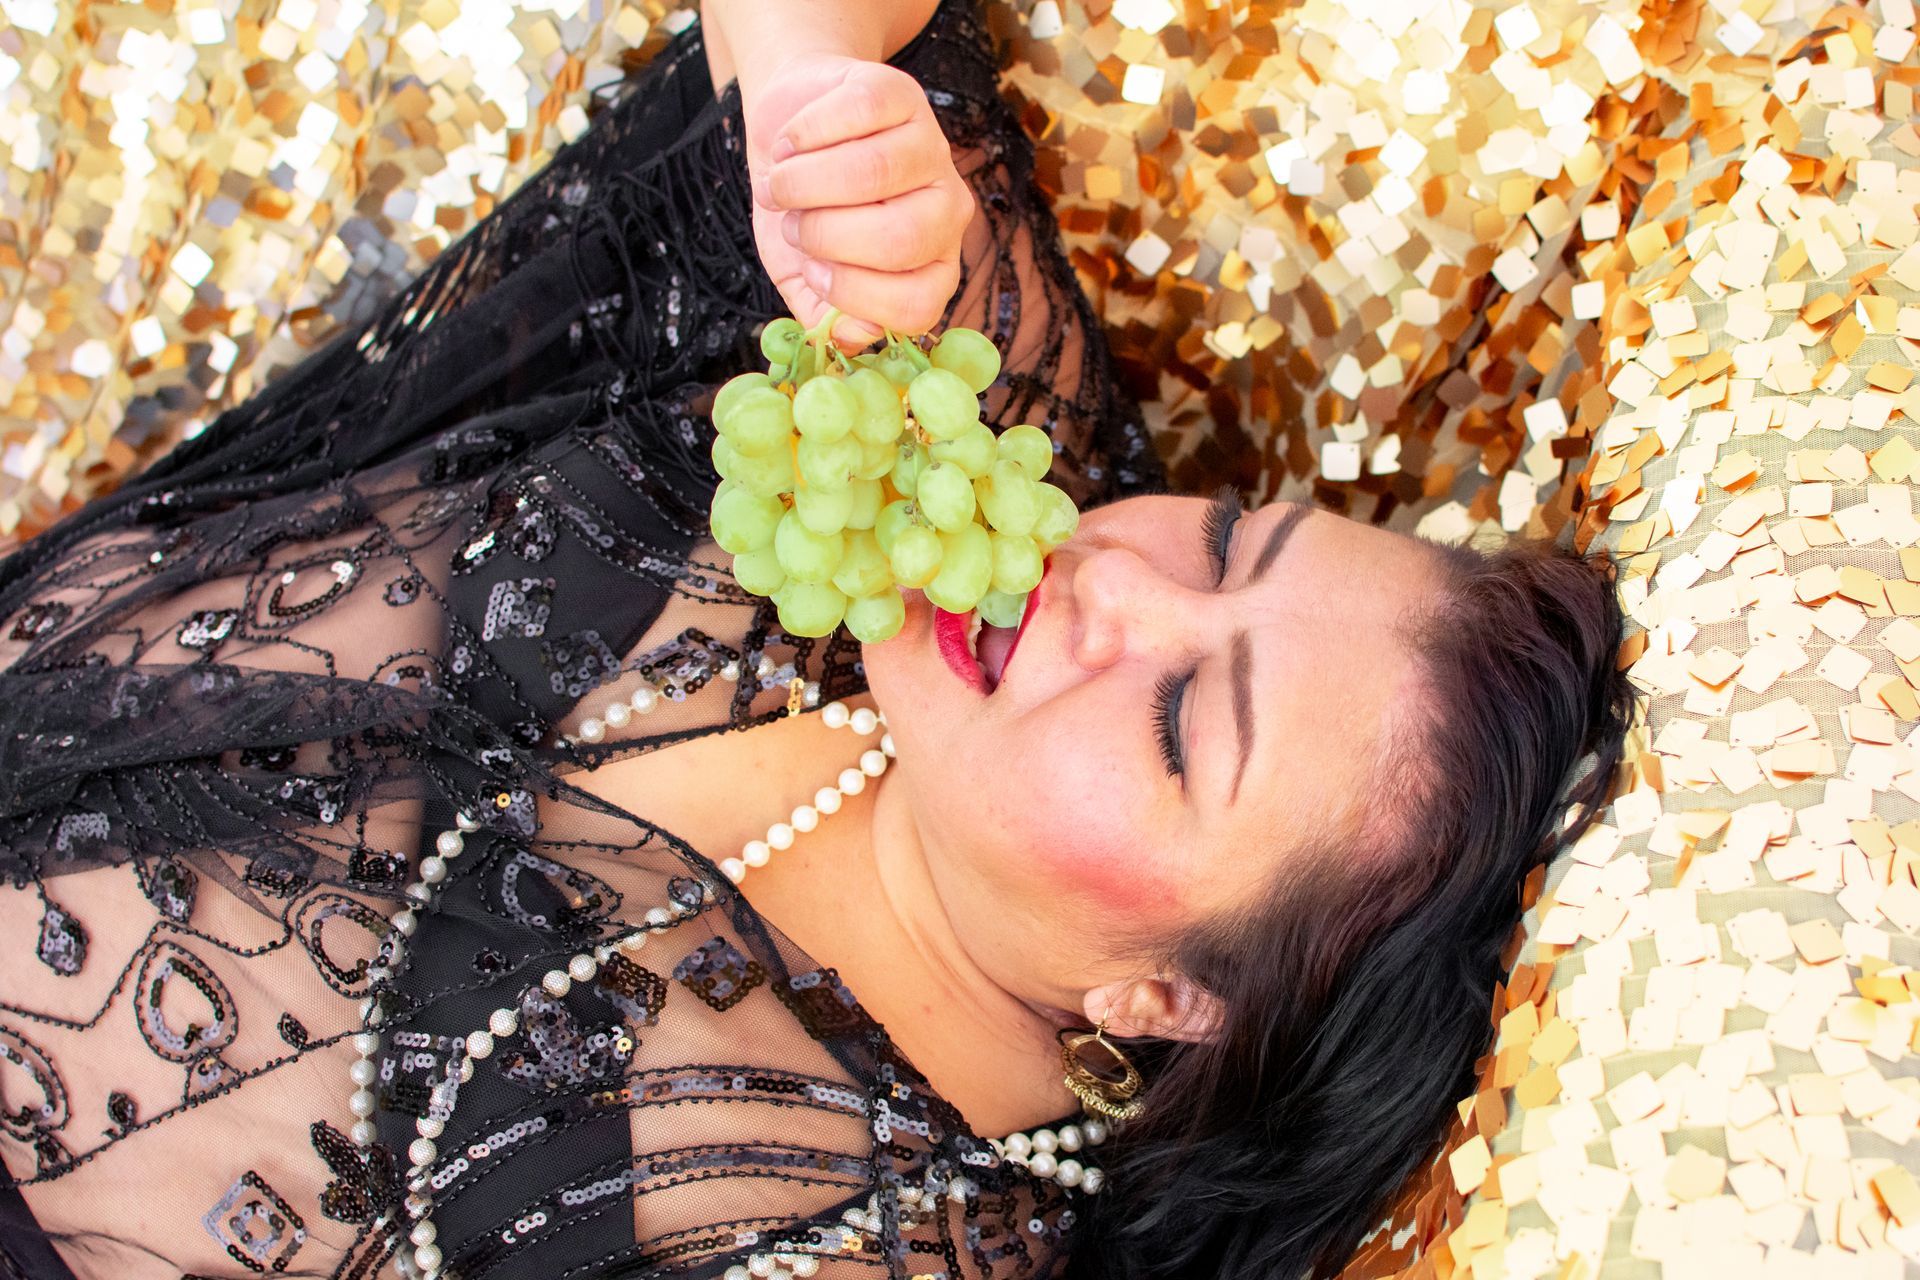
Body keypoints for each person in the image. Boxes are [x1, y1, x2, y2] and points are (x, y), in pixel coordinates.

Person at [0, 1, 1638, 1277]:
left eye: (1180, 722)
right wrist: (812, 105)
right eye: (1223, 541)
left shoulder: (866, 1238)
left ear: (1161, 995)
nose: (1107, 588)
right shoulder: (959, 422)